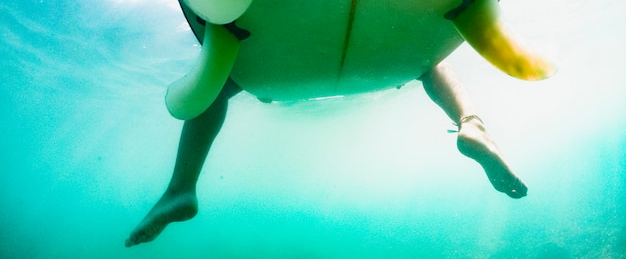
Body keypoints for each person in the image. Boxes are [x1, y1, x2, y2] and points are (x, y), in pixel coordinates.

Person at [125, 62, 527, 247]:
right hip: (383, 57)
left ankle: (181, 187)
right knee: (429, 61)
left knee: (214, 83)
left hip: (280, 69)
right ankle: (469, 120)